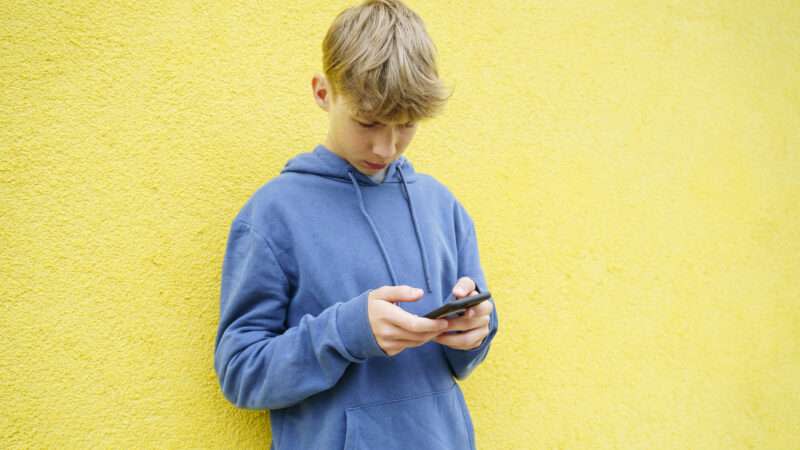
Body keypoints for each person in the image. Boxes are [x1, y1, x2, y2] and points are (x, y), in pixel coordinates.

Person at [213, 1, 499, 448]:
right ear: (323, 92)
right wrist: (345, 333)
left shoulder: (443, 206)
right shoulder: (272, 215)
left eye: (406, 125)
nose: (386, 147)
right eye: (368, 121)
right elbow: (241, 373)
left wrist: (477, 330)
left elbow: (463, 360)